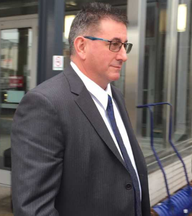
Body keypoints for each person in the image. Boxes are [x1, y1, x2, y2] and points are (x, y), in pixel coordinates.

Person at [11, 2, 150, 216]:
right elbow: (33, 208)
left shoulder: (116, 97)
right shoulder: (45, 103)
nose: (123, 55)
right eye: (114, 44)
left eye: (124, 45)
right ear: (82, 46)